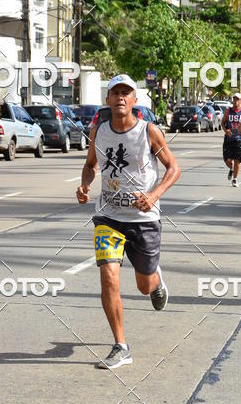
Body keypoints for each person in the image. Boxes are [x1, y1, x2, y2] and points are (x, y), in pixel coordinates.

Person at [77, 74, 181, 369]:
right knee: (108, 275)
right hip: (108, 217)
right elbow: (90, 165)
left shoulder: (149, 132)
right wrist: (85, 185)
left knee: (144, 286)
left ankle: (155, 278)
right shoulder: (99, 131)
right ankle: (121, 346)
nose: (121, 97)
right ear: (108, 99)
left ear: (135, 99)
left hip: (144, 219)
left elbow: (174, 168)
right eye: (116, 93)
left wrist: (153, 195)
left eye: (126, 93)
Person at [222, 92, 241, 186]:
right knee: (227, 161)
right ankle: (231, 169)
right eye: (234, 99)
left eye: (237, 99)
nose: (236, 101)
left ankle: (235, 179)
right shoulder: (228, 111)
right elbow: (223, 123)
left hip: (240, 139)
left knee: (237, 161)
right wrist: (226, 130)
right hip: (228, 139)